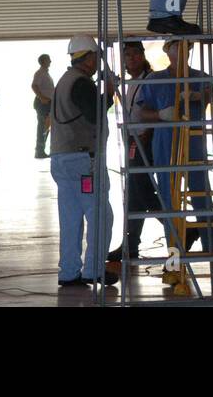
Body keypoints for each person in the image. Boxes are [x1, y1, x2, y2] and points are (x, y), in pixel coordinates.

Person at [135, 39, 213, 275]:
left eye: (186, 46)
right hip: (166, 149)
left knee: (202, 200)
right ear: (167, 51)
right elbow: (141, 112)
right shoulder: (155, 80)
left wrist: (199, 95)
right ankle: (175, 259)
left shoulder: (200, 76)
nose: (181, 50)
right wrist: (160, 115)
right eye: (176, 46)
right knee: (170, 204)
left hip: (194, 147)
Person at [50, 34, 118, 288]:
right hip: (83, 162)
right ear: (89, 58)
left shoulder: (65, 81)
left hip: (62, 159)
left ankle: (68, 272)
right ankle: (93, 270)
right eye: (97, 57)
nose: (98, 62)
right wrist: (109, 93)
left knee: (71, 218)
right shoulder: (81, 83)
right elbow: (95, 115)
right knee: (101, 214)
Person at [106, 41, 164, 277]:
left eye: (134, 54)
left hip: (144, 143)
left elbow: (151, 113)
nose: (130, 59)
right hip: (132, 142)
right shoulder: (131, 82)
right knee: (133, 197)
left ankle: (179, 232)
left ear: (142, 55)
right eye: (126, 55)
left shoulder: (148, 80)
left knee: (143, 195)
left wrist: (145, 136)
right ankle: (130, 246)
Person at [32, 53, 54, 159]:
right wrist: (42, 98)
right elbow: (34, 86)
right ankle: (39, 151)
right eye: (48, 59)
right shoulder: (40, 73)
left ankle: (41, 150)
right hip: (42, 104)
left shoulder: (45, 73)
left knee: (46, 127)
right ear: (44, 61)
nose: (50, 61)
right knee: (43, 127)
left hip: (46, 103)